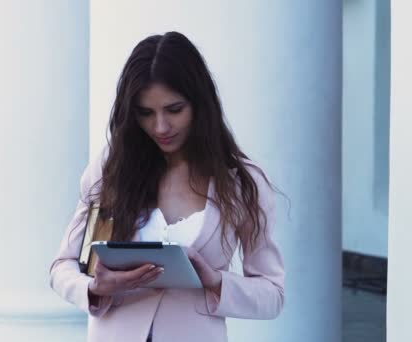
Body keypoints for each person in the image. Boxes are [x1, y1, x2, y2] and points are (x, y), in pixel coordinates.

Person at [49, 31, 285, 342]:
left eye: (174, 110)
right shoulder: (112, 167)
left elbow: (273, 293)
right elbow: (62, 266)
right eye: (146, 113)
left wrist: (216, 282)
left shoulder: (241, 182)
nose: (160, 127)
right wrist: (93, 288)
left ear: (200, 105)